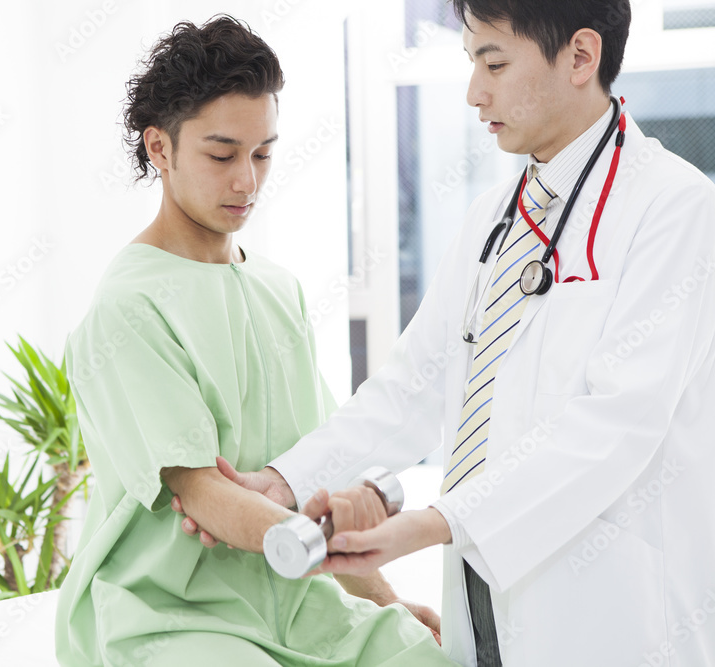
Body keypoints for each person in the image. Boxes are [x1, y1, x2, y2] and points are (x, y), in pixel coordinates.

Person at [179, 1, 715, 665]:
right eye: (470, 63)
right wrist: (285, 482)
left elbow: (617, 424)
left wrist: (436, 523)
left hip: (612, 612)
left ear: (581, 57)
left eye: (494, 62)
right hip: (485, 596)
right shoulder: (498, 217)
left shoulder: (673, 208)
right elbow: (413, 383)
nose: (473, 92)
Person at [54, 15, 453, 667]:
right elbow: (202, 494)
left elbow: (320, 471)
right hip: (171, 614)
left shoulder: (278, 291)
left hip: (292, 596)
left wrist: (386, 604)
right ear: (159, 148)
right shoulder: (128, 307)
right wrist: (318, 538)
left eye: (262, 152)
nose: (247, 180)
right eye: (222, 154)